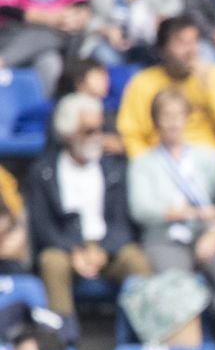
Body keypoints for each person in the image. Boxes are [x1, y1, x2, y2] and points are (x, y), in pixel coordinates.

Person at [27, 92, 151, 319]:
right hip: (65, 247)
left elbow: (123, 221)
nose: (98, 137)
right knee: (52, 262)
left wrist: (104, 250)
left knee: (136, 260)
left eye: (100, 129)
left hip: (107, 247)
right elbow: (42, 226)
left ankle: (145, 338)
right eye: (89, 131)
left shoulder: (113, 168)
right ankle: (64, 340)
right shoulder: (44, 171)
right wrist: (73, 250)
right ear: (68, 133)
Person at [127, 86, 215, 283]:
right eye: (167, 115)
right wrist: (190, 213)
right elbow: (141, 209)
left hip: (207, 233)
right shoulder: (143, 163)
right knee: (178, 286)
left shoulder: (207, 156)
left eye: (179, 115)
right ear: (156, 121)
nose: (173, 121)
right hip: (165, 239)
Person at [117, 17, 215, 159]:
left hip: (211, 163)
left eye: (194, 42)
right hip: (162, 164)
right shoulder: (143, 82)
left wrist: (210, 87)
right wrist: (149, 167)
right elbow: (132, 136)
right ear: (163, 50)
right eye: (181, 43)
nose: (190, 51)